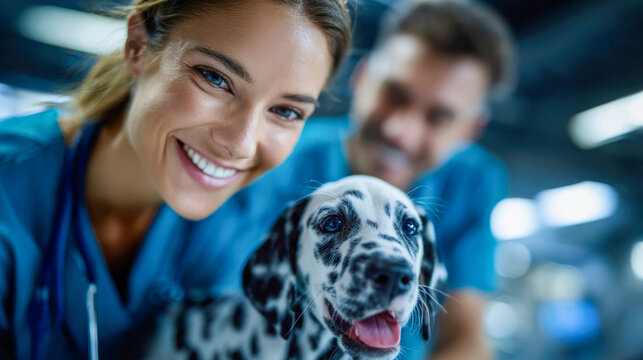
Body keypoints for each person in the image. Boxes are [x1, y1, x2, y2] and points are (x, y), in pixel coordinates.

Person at [0, 0, 351, 359]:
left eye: (286, 111)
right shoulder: (9, 186)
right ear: (137, 47)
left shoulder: (238, 227)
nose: (241, 145)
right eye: (216, 78)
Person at [211, 0, 515, 359]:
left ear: (470, 129)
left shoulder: (474, 182)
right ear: (362, 75)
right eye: (393, 94)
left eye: (438, 117)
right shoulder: (274, 155)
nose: (400, 131)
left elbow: (465, 335)